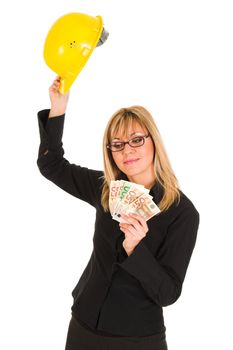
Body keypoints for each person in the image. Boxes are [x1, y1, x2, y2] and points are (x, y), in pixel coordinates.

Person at [36, 76, 200, 350]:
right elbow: (50, 164)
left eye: (136, 139)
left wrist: (136, 249)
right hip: (83, 324)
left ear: (154, 142)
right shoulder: (105, 189)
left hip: (136, 339)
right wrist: (58, 108)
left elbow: (168, 294)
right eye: (118, 144)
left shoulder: (182, 213)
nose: (128, 150)